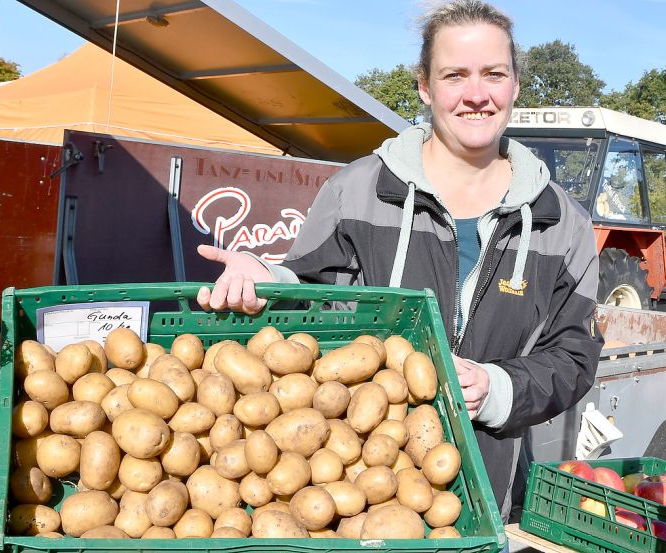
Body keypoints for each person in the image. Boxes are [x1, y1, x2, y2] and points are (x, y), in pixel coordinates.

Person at [194, 0, 603, 522]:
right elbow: (314, 293)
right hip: (351, 487)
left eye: (493, 74)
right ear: (425, 88)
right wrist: (271, 280)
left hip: (486, 486)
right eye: (455, 76)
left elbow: (573, 356)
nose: (476, 94)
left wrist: (497, 389)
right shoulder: (358, 190)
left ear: (515, 84)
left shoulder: (560, 222)